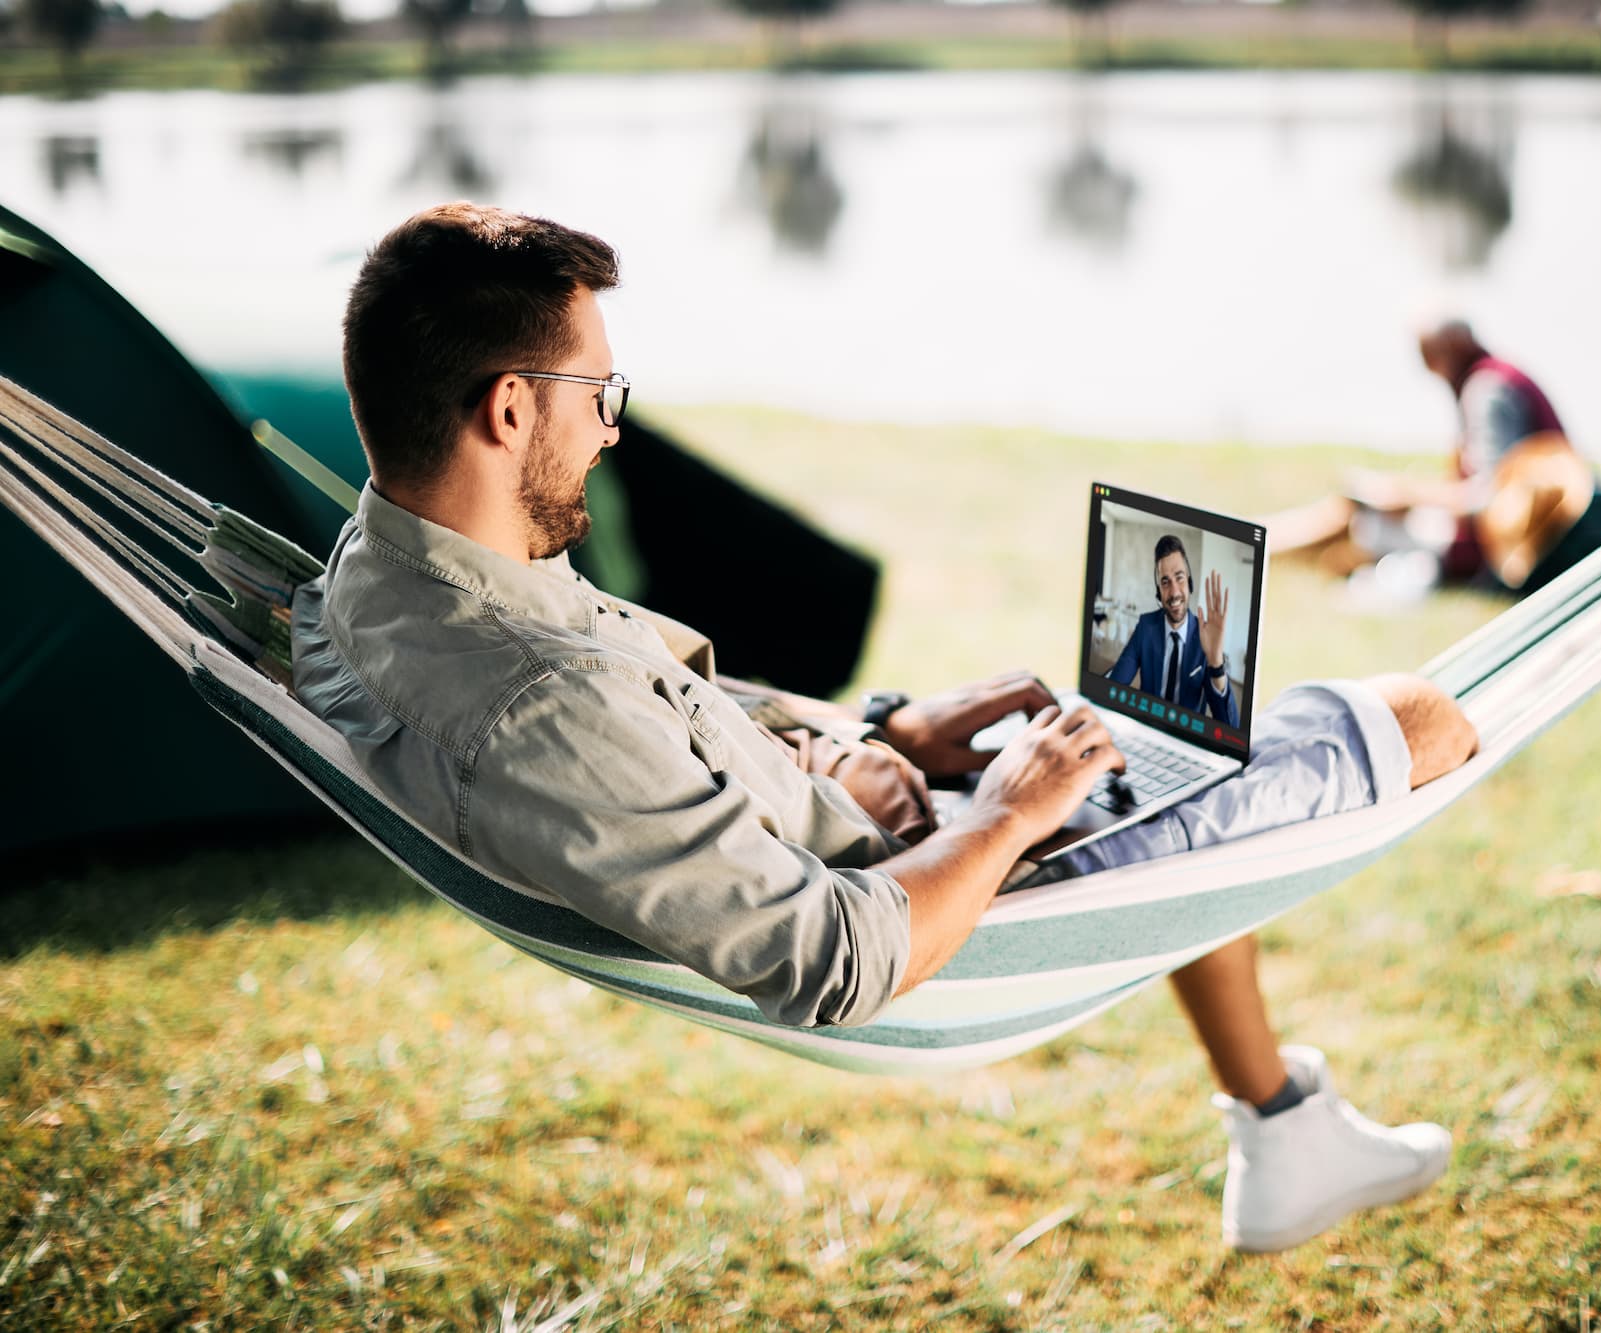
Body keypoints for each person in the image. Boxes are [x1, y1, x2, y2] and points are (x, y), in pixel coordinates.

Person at [290, 203, 1481, 1254]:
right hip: (936, 903)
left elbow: (659, 727)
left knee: (1154, 760)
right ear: (508, 407)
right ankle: (1281, 1126)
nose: (610, 428)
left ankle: (1279, 1126)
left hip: (873, 807)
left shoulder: (385, 571)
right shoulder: (532, 701)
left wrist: (886, 731)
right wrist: (1014, 810)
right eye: (600, 395)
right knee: (1411, 716)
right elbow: (834, 958)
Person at [1264, 317, 1571, 583]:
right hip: (1502, 537)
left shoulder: (1487, 391)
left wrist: (1407, 495)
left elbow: (1491, 497)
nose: (1425, 364)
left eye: (1428, 351)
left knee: (1358, 518)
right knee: (1353, 517)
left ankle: (1261, 549)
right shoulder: (1497, 377)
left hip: (1498, 548)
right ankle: (1263, 542)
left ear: (1453, 343)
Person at [1104, 534, 1239, 727]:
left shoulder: (1205, 637)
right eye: (1165, 582)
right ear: (1159, 591)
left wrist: (1216, 662)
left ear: (1190, 583)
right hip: (1146, 729)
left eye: (1180, 578)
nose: (1174, 592)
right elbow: (1115, 685)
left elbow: (1229, 726)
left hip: (1187, 739)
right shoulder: (1145, 626)